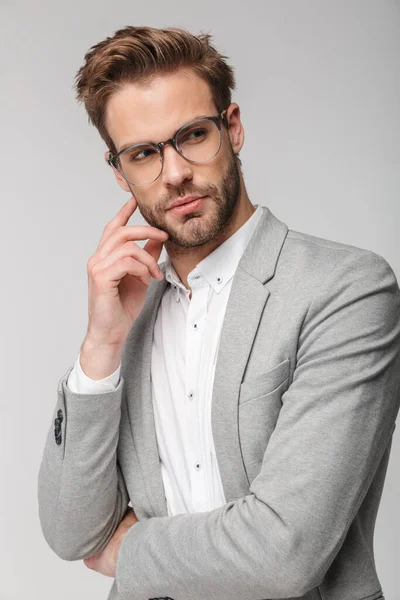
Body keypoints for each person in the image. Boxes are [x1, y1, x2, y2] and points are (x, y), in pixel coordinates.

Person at [38, 25, 400, 600]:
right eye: (144, 154)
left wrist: (127, 550)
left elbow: (285, 553)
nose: (175, 172)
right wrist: (100, 349)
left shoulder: (345, 290)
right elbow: (69, 531)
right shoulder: (130, 314)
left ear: (232, 128)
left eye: (192, 136)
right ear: (119, 171)